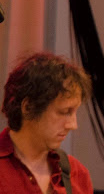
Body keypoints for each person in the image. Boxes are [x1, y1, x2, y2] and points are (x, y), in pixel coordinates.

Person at [0, 51, 93, 194]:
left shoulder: (77, 174)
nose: (73, 125)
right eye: (64, 112)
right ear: (28, 107)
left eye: (75, 112)